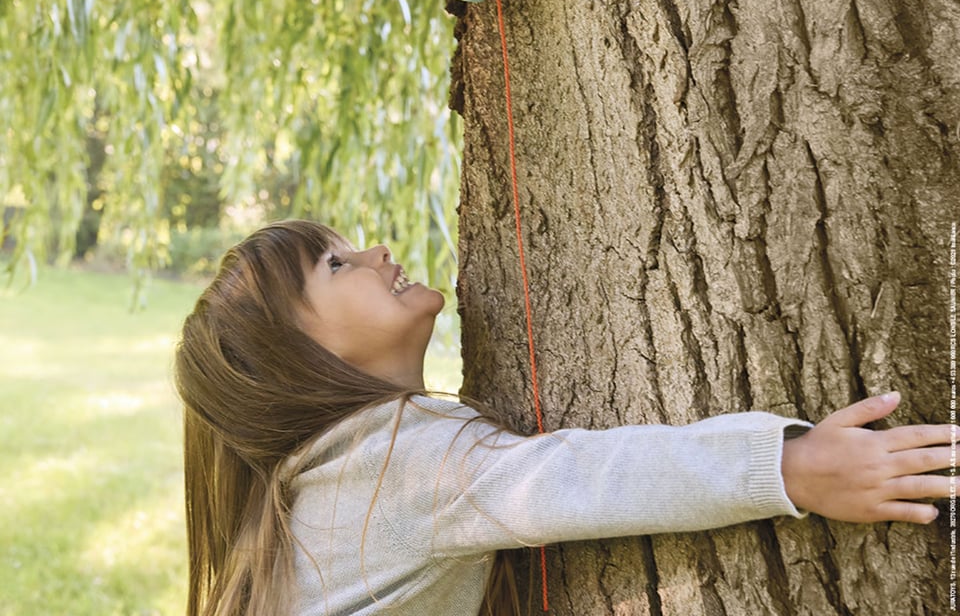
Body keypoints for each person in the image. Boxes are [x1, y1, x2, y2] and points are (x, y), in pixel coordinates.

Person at [174, 219, 956, 616]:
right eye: (337, 264)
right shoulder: (394, 468)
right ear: (295, 356)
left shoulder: (330, 478)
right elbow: (577, 476)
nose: (377, 249)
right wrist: (789, 466)